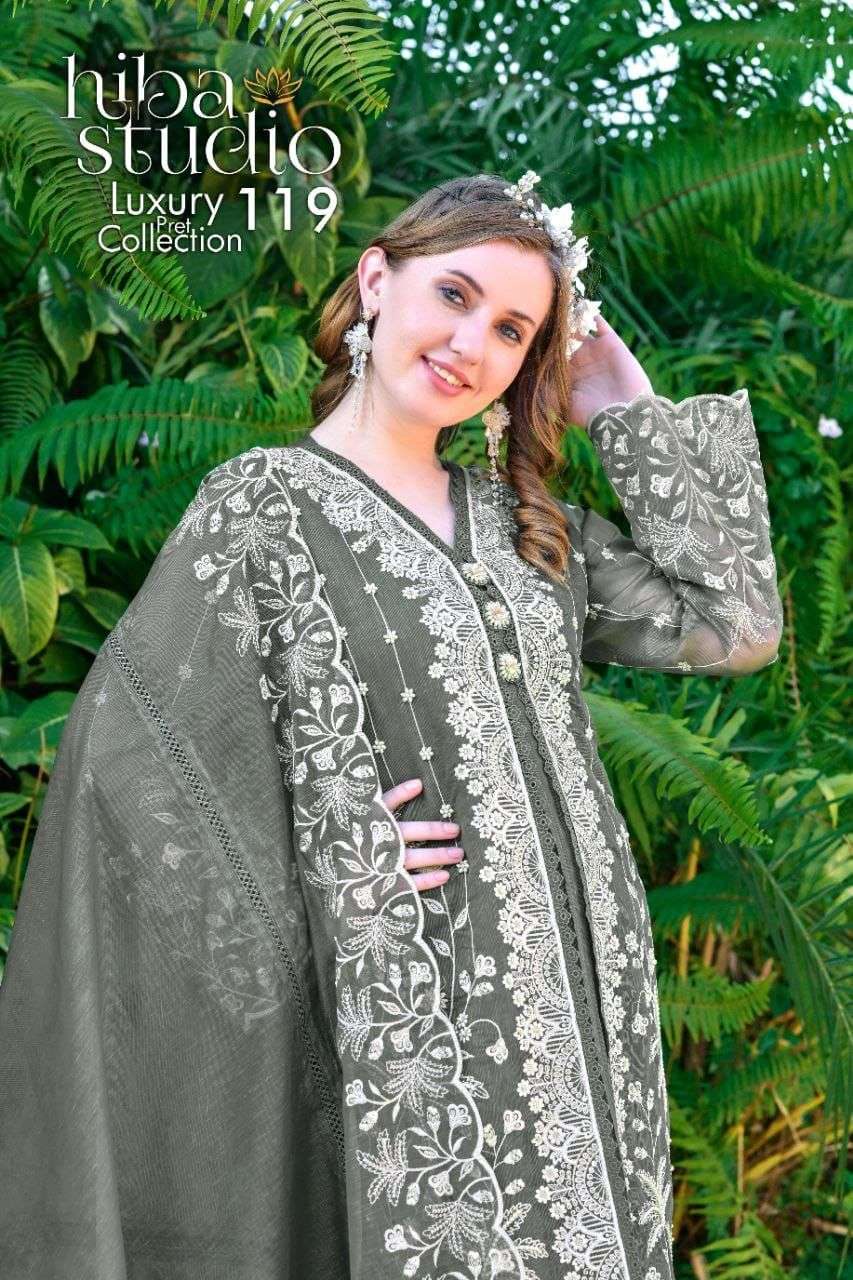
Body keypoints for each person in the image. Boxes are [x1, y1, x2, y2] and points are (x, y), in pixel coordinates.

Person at [0, 172, 782, 1280]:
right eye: (454, 294)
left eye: (512, 329)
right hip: (424, 1008)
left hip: (592, 998)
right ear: (376, 279)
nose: (471, 343)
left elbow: (735, 624)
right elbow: (128, 776)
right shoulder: (263, 508)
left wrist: (623, 405)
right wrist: (329, 858)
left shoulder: (529, 527)